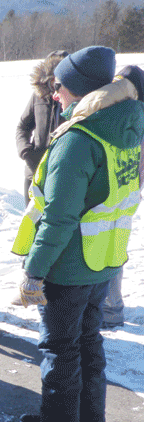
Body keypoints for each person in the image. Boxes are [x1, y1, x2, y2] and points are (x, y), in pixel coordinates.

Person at [12, 46, 144, 422]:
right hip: (103, 260)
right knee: (88, 339)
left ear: (82, 92)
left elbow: (59, 218)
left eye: (62, 87)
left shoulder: (78, 141)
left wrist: (34, 270)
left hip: (69, 265)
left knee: (60, 347)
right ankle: (91, 419)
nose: (55, 95)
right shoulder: (125, 127)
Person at [101, 65, 144, 330]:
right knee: (111, 247)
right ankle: (110, 307)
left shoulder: (133, 117)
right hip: (120, 190)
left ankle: (111, 308)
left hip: (122, 191)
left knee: (112, 248)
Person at [15, 50, 68, 206]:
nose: (55, 84)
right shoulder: (37, 96)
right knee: (31, 225)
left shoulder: (75, 99)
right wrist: (26, 152)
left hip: (63, 175)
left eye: (60, 79)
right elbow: (22, 127)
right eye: (52, 79)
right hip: (34, 173)